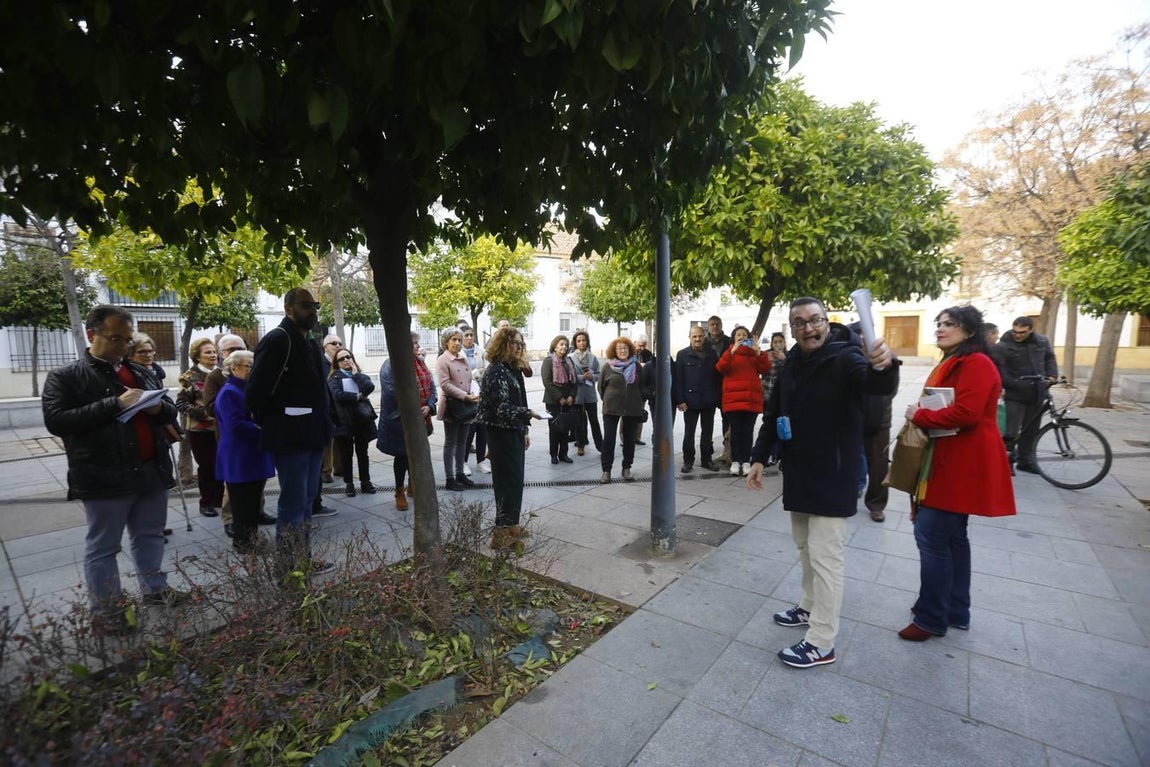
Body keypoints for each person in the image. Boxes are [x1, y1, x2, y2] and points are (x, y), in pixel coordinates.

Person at [746, 297, 897, 669]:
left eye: (815, 321)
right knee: (804, 547)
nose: (808, 329)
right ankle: (808, 606)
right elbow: (773, 415)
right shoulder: (791, 363)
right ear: (791, 328)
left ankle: (821, 641)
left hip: (834, 473)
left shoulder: (846, 357)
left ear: (827, 322)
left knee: (827, 558)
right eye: (799, 323)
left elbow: (876, 384)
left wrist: (885, 365)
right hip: (800, 473)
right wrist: (759, 457)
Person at [42, 305, 189, 635]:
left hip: (150, 469)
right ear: (92, 335)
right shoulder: (65, 376)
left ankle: (155, 590)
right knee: (104, 546)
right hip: (104, 476)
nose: (123, 346)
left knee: (150, 535)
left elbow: (168, 412)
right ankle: (107, 612)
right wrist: (114, 404)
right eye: (116, 338)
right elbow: (57, 421)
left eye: (127, 339)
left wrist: (157, 407)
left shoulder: (139, 372)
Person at [898, 306, 1016, 641]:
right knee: (952, 539)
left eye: (950, 324)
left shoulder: (976, 363)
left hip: (961, 462)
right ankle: (954, 610)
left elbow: (967, 413)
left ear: (969, 330)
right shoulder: (957, 361)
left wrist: (918, 415)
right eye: (939, 323)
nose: (940, 329)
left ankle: (930, 617)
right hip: (951, 458)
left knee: (932, 536)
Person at [245, 288, 336, 575]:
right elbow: (255, 392)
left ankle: (303, 560)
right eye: (306, 305)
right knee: (293, 505)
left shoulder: (309, 341)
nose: (313, 311)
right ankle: (287, 568)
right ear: (288, 309)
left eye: (315, 305)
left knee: (307, 503)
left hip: (313, 435)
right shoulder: (278, 340)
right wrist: (277, 421)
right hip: (291, 438)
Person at [202, 334, 277, 535]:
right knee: (242, 504)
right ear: (233, 368)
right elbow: (235, 425)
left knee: (252, 501)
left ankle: (251, 540)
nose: (252, 369)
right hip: (240, 454)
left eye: (254, 365)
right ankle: (244, 543)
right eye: (248, 366)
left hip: (252, 451)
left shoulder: (246, 387)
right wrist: (264, 430)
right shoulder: (229, 391)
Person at [478, 327, 542, 550]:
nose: (519, 347)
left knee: (515, 481)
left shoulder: (513, 370)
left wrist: (524, 429)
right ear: (502, 345)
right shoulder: (496, 371)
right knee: (506, 482)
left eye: (521, 344)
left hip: (514, 430)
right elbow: (500, 407)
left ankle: (511, 524)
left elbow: (520, 401)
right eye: (514, 343)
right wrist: (527, 415)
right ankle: (500, 534)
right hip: (500, 432)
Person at [377, 332, 438, 511]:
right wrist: (416, 408)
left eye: (417, 343)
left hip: (421, 417)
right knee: (402, 456)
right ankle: (399, 491)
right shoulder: (389, 366)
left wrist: (429, 405)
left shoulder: (420, 363)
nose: (418, 347)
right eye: (414, 344)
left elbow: (432, 386)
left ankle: (413, 485)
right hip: (399, 421)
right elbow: (393, 393)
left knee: (417, 454)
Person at [997, 316, 1058, 473]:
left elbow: (1049, 357)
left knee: (1031, 430)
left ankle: (1026, 460)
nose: (1017, 335)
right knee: (1011, 431)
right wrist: (1012, 383)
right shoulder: (1004, 344)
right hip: (1015, 393)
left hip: (1037, 392)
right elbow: (1000, 368)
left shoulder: (1041, 341)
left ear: (1031, 330)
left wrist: (1052, 376)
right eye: (1015, 331)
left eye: (1022, 332)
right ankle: (1007, 461)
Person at [176, 338, 224, 518]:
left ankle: (220, 497)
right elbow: (181, 403)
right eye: (207, 352)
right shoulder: (189, 377)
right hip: (200, 430)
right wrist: (204, 413)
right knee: (206, 466)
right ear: (197, 356)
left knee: (220, 463)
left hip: (220, 428)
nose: (212, 355)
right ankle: (206, 502)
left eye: (214, 352)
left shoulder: (221, 374)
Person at [715, 325, 771, 476]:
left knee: (748, 432)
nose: (741, 336)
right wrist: (732, 352)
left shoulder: (754, 354)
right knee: (736, 432)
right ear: (734, 338)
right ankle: (735, 461)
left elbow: (765, 369)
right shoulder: (730, 353)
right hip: (734, 400)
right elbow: (720, 368)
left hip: (751, 400)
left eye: (744, 334)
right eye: (738, 334)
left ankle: (746, 461)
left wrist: (759, 351)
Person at [598, 337, 651, 484]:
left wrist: (638, 401)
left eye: (625, 348)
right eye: (619, 348)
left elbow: (642, 386)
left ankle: (626, 468)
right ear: (614, 351)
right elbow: (601, 387)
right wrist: (610, 399)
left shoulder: (637, 367)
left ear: (630, 350)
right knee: (608, 439)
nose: (622, 350)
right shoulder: (607, 367)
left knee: (629, 440)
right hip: (611, 408)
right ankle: (606, 471)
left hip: (632, 408)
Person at [327, 350, 378, 497]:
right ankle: (349, 483)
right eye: (341, 359)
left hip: (361, 421)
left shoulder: (359, 375)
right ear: (337, 363)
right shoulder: (334, 378)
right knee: (346, 455)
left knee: (363, 453)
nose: (346, 360)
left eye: (348, 357)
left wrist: (356, 375)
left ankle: (365, 482)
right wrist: (357, 396)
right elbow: (337, 395)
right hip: (344, 421)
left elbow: (369, 388)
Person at [672, 326, 720, 473]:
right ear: (690, 338)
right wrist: (680, 400)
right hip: (689, 401)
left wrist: (716, 398)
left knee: (708, 432)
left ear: (704, 337)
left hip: (708, 400)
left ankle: (707, 460)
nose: (697, 339)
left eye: (700, 336)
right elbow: (678, 380)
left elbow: (717, 378)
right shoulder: (682, 355)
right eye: (694, 337)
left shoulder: (712, 354)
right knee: (689, 433)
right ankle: (688, 461)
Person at [436, 328, 479, 491]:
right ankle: (450, 478)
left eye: (459, 340)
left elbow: (469, 379)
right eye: (454, 339)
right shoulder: (442, 360)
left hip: (466, 404)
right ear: (446, 341)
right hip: (453, 406)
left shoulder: (463, 358)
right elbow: (445, 385)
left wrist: (473, 393)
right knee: (450, 442)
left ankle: (460, 473)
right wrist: (464, 396)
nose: (457, 343)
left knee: (463, 441)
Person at [541, 334, 578, 464]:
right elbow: (547, 382)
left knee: (565, 428)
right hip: (553, 401)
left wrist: (571, 396)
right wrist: (560, 398)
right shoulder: (548, 361)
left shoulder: (569, 361)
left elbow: (574, 381)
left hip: (568, 401)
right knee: (554, 428)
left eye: (566, 345)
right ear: (555, 346)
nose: (564, 347)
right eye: (561, 344)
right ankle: (553, 455)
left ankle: (563, 454)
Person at [460, 326, 490, 475]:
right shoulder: (458, 353)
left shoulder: (481, 351)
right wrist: (475, 373)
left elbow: (488, 368)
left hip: (482, 395)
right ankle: (463, 462)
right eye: (466, 335)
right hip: (467, 397)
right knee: (469, 431)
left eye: (471, 335)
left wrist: (477, 373)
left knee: (482, 429)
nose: (470, 338)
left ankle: (481, 461)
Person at [569, 330, 604, 456]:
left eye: (583, 340)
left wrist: (592, 376)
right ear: (575, 343)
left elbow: (599, 374)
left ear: (587, 342)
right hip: (577, 394)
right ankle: (581, 444)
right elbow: (569, 376)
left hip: (590, 394)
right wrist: (581, 378)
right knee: (579, 422)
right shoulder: (570, 358)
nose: (581, 343)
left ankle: (600, 445)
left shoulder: (593, 357)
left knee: (594, 420)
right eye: (579, 341)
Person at [319, 334, 345, 483]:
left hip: (341, 405)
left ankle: (339, 466)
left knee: (341, 437)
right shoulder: (321, 362)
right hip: (327, 405)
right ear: (325, 347)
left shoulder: (341, 361)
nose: (337, 345)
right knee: (328, 440)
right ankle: (325, 470)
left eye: (339, 343)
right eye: (333, 343)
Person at [760, 332, 788, 468]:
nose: (778, 344)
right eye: (775, 342)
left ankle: (778, 454)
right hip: (767, 395)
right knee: (769, 424)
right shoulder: (766, 355)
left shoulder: (789, 357)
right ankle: (770, 454)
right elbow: (760, 370)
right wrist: (766, 360)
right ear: (771, 344)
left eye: (780, 342)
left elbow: (791, 373)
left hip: (783, 397)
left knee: (781, 425)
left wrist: (784, 360)